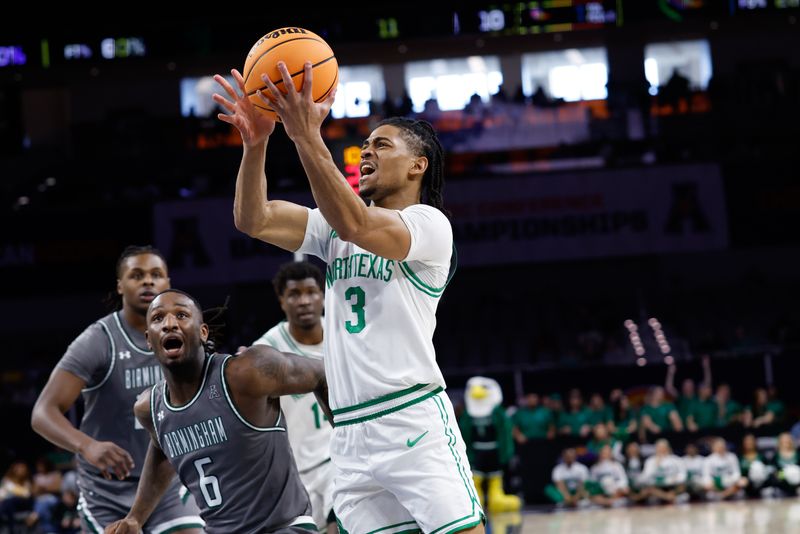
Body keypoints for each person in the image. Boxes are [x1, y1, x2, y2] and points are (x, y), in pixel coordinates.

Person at [213, 61, 482, 533]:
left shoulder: (430, 226)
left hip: (410, 418)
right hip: (350, 432)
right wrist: (255, 146)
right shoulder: (332, 231)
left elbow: (356, 222)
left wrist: (304, 136)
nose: (366, 153)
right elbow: (252, 219)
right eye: (365, 146)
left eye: (382, 145)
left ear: (418, 165)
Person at [104, 289, 329, 533]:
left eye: (181, 315)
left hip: (284, 527)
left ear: (202, 332)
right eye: (158, 318)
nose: (169, 324)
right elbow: (161, 448)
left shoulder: (245, 373)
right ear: (149, 339)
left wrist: (351, 445)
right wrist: (136, 517)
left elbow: (322, 373)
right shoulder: (149, 409)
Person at [30, 246, 203, 534]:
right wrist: (87, 445)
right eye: (137, 275)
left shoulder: (184, 336)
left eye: (156, 275)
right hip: (108, 489)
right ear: (120, 286)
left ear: (168, 284)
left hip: (168, 483)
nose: (148, 281)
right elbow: (42, 413)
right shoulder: (98, 340)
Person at [251, 261, 336, 533]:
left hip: (338, 459)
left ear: (323, 295)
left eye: (311, 292)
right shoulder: (267, 349)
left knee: (343, 523)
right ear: (282, 301)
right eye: (294, 294)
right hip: (293, 469)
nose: (304, 301)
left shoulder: (343, 335)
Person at [641, 439, 688, 504]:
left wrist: (675, 479)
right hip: (657, 486)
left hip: (672, 485)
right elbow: (645, 477)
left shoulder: (676, 459)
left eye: (663, 448)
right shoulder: (650, 461)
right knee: (648, 489)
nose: (661, 450)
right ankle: (668, 497)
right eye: (659, 448)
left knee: (682, 486)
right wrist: (656, 465)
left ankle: (670, 496)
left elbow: (683, 475)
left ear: (668, 448)